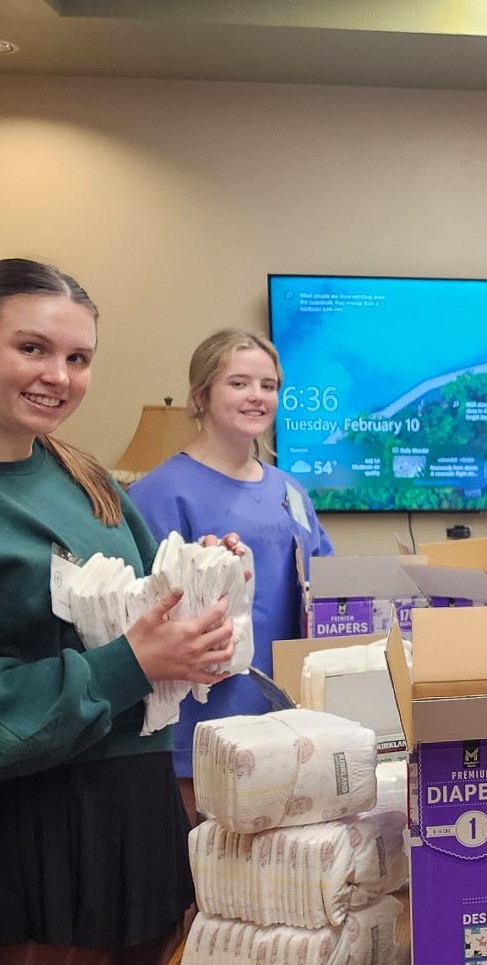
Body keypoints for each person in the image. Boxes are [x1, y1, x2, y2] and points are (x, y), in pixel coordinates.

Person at [0, 258, 238, 965]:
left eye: (78, 357)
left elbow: (140, 611)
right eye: (31, 348)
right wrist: (134, 660)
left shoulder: (84, 473)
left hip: (132, 796)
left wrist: (198, 586)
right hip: (40, 819)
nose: (57, 376)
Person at [128, 329, 333, 821]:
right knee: (202, 881)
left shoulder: (290, 491)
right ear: (201, 396)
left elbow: (325, 586)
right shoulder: (161, 494)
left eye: (268, 385)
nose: (257, 397)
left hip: (288, 722)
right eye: (239, 383)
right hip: (202, 728)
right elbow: (141, 615)